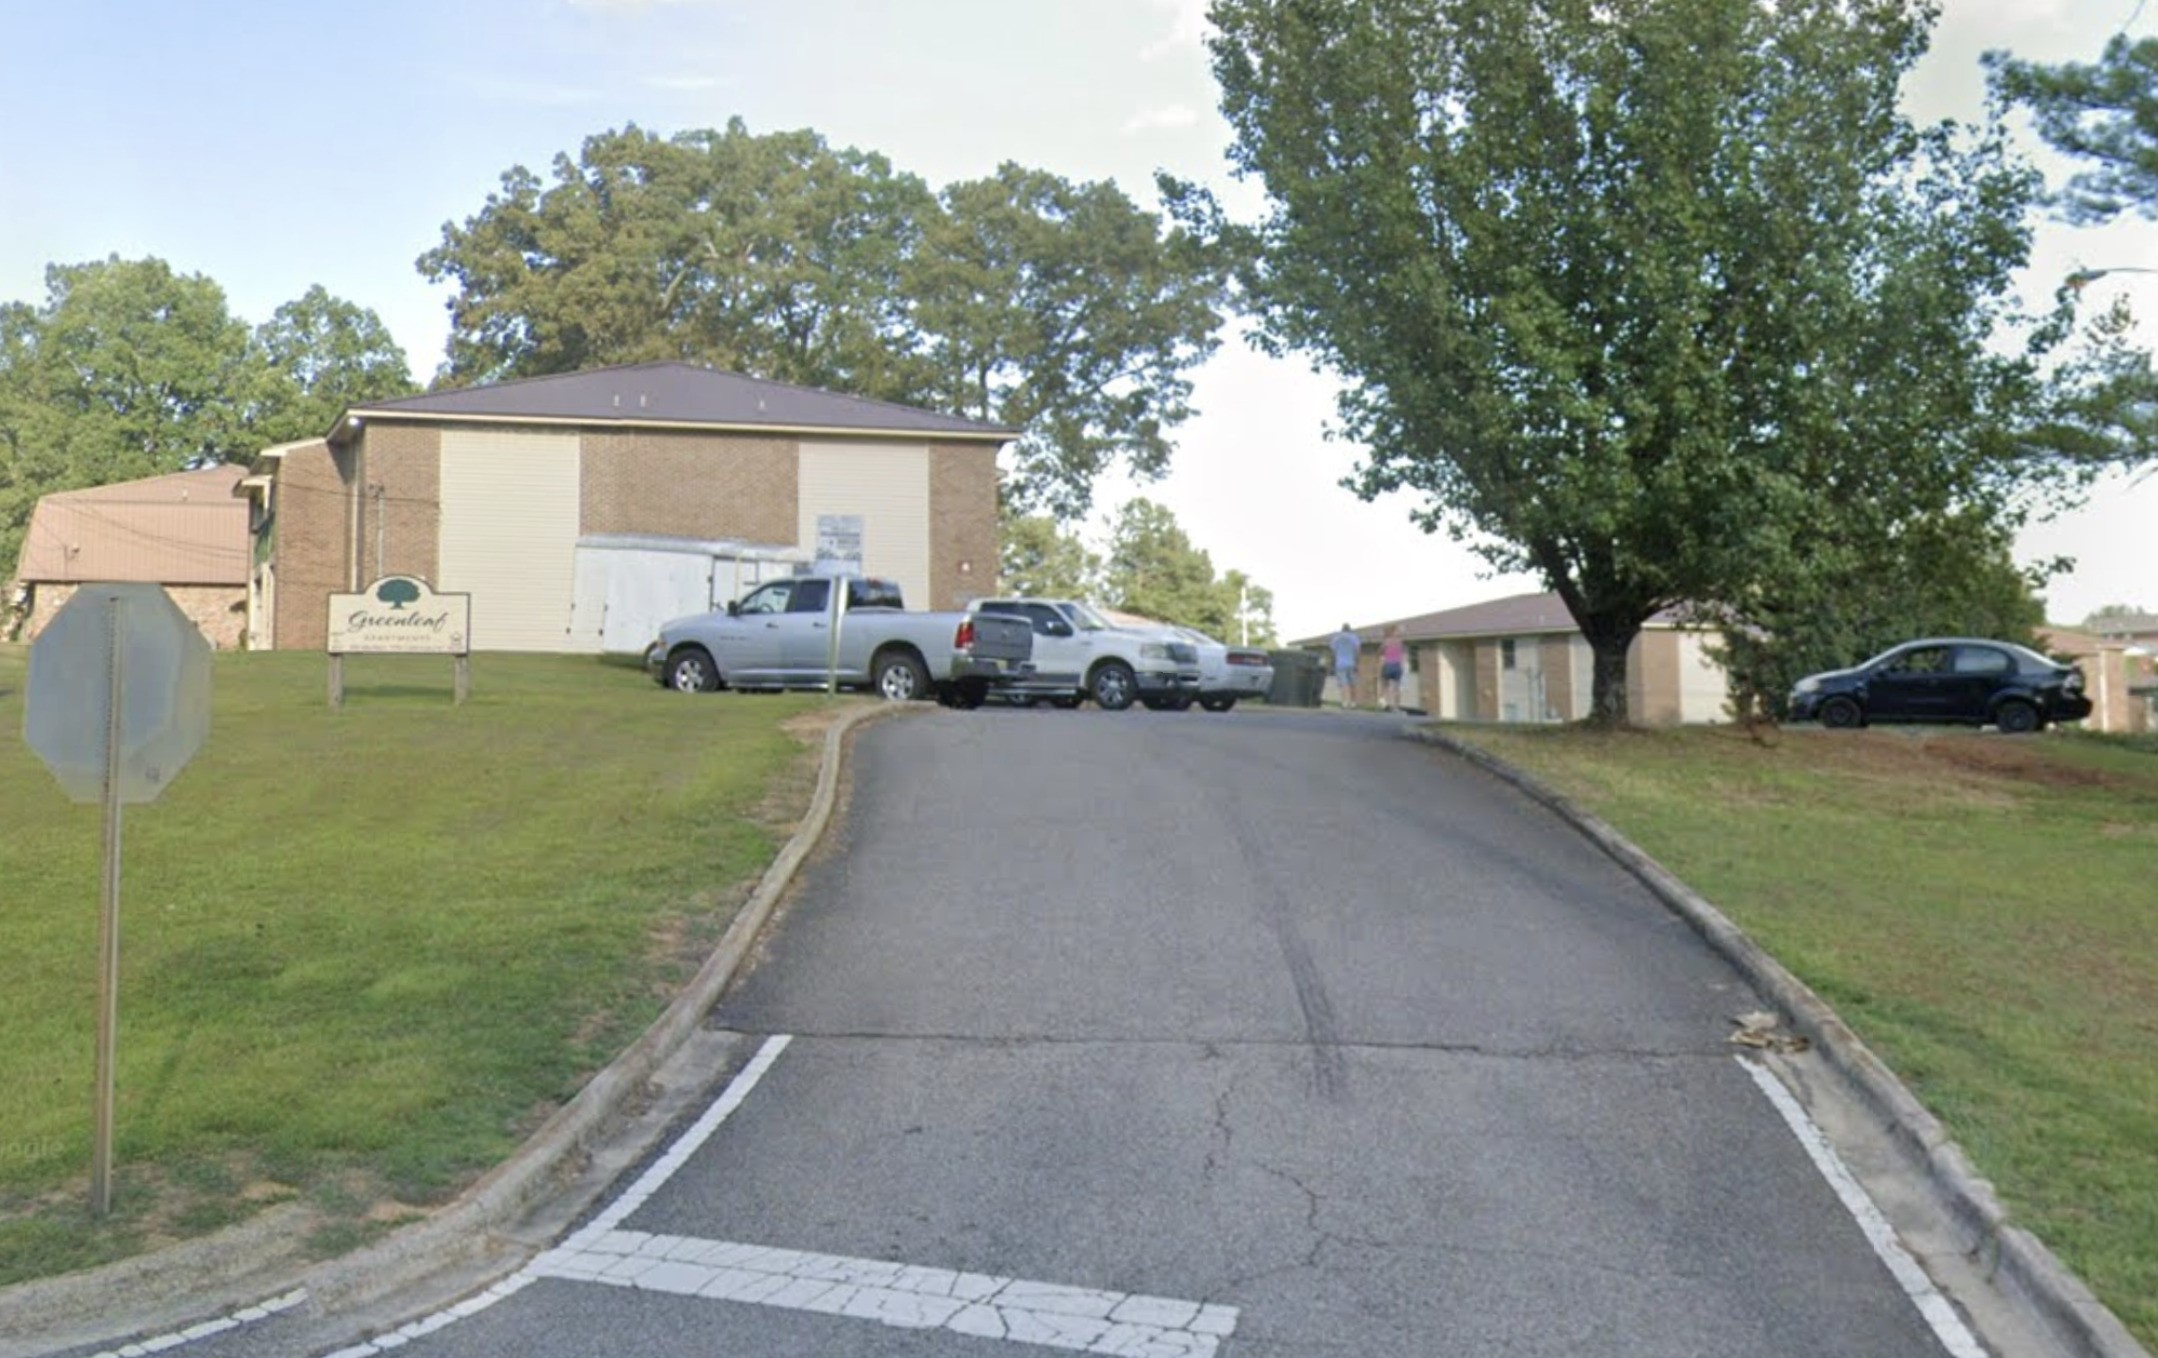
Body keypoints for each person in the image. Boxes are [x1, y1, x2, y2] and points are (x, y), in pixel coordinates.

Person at [1328, 622, 1362, 708]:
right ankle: (1353, 702)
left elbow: (1333, 652)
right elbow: (1358, 651)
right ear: (1350, 629)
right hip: (1351, 663)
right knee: (1352, 683)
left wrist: (1333, 662)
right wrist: (1357, 663)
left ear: (1342, 629)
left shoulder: (1336, 638)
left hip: (1340, 664)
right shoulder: (1354, 638)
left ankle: (1345, 702)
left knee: (1344, 684)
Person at [1379, 624, 1406, 711]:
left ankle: (1384, 703)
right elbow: (1402, 657)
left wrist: (1380, 668)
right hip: (1397, 665)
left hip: (1388, 665)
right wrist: (1402, 667)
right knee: (1396, 688)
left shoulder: (1385, 642)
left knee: (1384, 685)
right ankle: (1396, 706)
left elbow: (1381, 654)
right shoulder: (1400, 642)